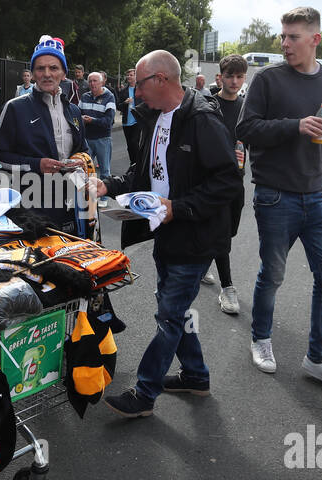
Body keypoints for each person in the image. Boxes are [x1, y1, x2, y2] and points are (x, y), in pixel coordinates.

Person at [94, 50, 243, 417]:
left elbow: (227, 182)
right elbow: (143, 173)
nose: (136, 93)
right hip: (166, 232)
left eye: (140, 84)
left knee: (170, 315)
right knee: (172, 310)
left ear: (161, 79)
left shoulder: (202, 120)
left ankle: (145, 393)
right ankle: (195, 376)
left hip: (196, 236)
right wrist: (108, 186)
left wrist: (179, 207)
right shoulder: (155, 118)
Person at [236, 7, 322, 393]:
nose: (284, 43)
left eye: (293, 37)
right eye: (283, 36)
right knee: (273, 274)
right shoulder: (267, 80)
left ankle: (318, 359)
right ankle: (261, 339)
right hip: (274, 196)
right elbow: (246, 128)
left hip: (316, 196)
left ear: (315, 39)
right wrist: (296, 126)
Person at [0, 36, 88, 229]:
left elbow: (83, 150)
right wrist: (36, 164)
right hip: (30, 204)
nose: (47, 74)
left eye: (53, 68)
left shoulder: (74, 110)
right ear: (33, 74)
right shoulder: (14, 108)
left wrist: (82, 159)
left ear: (63, 73)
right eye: (40, 68)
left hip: (69, 201)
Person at [205, 54, 248, 315]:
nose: (234, 81)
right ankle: (227, 287)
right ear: (220, 77)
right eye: (229, 76)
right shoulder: (210, 105)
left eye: (239, 76)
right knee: (222, 236)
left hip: (237, 181)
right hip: (213, 181)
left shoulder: (247, 107)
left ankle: (203, 260)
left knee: (229, 231)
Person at [80, 71, 116, 180]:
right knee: (84, 169)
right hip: (86, 139)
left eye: (95, 81)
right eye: (90, 81)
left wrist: (92, 121)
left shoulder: (109, 97)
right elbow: (77, 114)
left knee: (105, 171)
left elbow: (108, 121)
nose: (92, 83)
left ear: (101, 83)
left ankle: (104, 197)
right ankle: (86, 194)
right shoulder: (84, 96)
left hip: (103, 139)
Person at [121, 68, 140, 158]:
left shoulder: (140, 89)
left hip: (137, 121)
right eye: (128, 75)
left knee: (134, 142)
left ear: (136, 76)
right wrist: (125, 103)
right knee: (129, 145)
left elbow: (145, 103)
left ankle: (138, 164)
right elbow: (118, 105)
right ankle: (132, 164)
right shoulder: (123, 90)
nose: (129, 77)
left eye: (131, 75)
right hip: (126, 122)